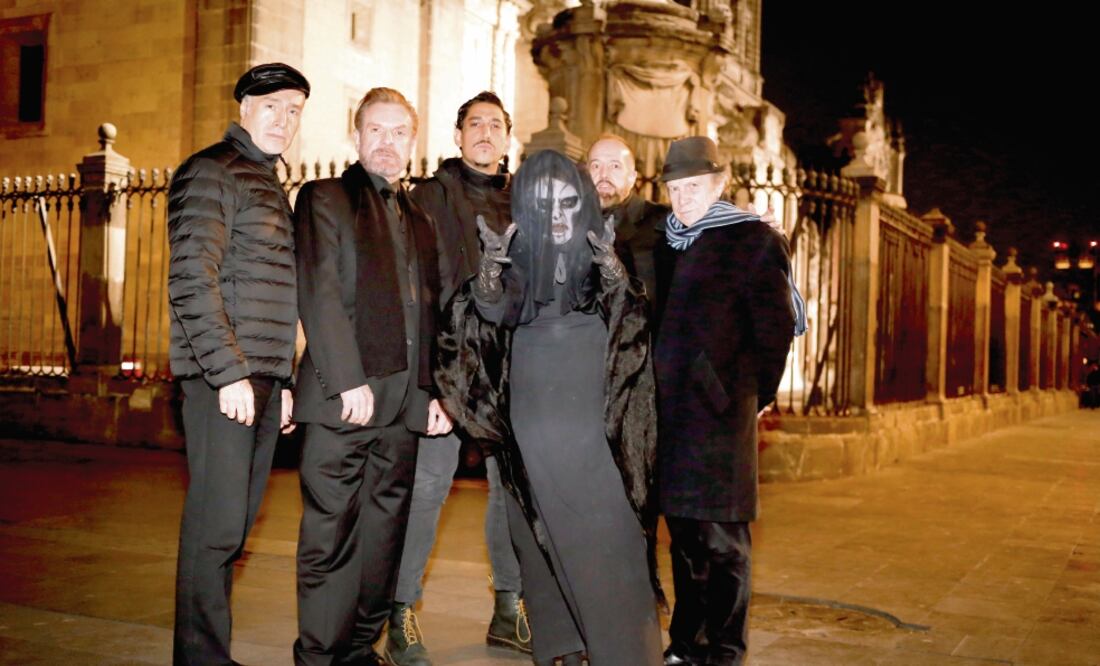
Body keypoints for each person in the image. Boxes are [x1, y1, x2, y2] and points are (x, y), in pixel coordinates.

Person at [435, 150, 664, 666]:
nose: (557, 216)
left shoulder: (604, 249)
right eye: (543, 205)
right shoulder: (515, 259)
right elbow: (492, 312)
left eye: (566, 202)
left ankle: (622, 652)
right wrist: (489, 278)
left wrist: (612, 274)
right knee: (542, 526)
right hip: (538, 418)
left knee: (612, 534)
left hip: (595, 423)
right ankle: (565, 643)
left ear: (581, 202)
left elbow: (633, 323)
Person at [292, 87, 452, 666]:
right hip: (345, 404)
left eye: (399, 132)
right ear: (355, 138)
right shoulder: (324, 198)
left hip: (404, 408)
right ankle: (319, 656)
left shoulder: (419, 216)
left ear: (413, 142)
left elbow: (431, 310)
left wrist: (434, 392)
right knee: (331, 540)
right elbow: (320, 290)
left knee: (384, 539)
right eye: (376, 131)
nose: (387, 142)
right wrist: (346, 378)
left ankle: (361, 650)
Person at [167, 62, 308, 666]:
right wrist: (227, 371)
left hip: (263, 380)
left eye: (295, 110)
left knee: (233, 528)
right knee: (215, 527)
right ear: (244, 107)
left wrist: (285, 381)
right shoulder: (211, 170)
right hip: (224, 378)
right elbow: (192, 278)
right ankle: (200, 658)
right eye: (272, 105)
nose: (284, 119)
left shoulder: (267, 179)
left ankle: (208, 654)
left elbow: (275, 292)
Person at [385, 91, 528, 665]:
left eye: (496, 124)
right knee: (426, 490)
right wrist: (430, 382)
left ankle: (508, 609)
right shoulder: (429, 197)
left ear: (508, 136)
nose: (486, 133)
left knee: (510, 495)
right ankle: (400, 614)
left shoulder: (524, 200)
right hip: (448, 369)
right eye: (475, 124)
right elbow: (414, 292)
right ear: (459, 135)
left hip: (509, 372)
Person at [654, 136, 797, 666]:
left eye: (694, 187)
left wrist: (752, 395)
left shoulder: (753, 239)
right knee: (684, 539)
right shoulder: (665, 241)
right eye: (675, 188)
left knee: (723, 541)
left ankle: (726, 651)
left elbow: (775, 327)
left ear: (719, 186)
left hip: (719, 415)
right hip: (670, 415)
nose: (684, 199)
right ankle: (686, 643)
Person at [585, 134, 669, 301]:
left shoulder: (663, 222)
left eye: (615, 166)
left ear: (632, 178)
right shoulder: (568, 223)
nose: (603, 175)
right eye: (595, 166)